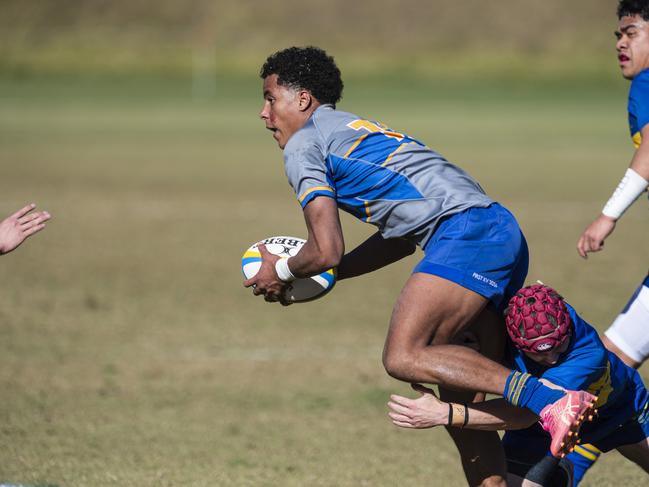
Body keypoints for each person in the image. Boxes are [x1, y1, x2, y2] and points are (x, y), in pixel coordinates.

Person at [244, 46, 596, 486]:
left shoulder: (303, 145)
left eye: (269, 98)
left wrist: (279, 271)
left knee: (403, 355)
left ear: (301, 100)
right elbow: (398, 240)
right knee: (460, 406)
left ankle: (550, 400)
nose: (263, 113)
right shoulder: (348, 129)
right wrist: (331, 275)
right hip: (495, 230)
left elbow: (325, 248)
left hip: (466, 235)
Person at [388, 284, 649, 486]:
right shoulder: (509, 323)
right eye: (538, 354)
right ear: (515, 338)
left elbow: (523, 414)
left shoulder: (586, 356)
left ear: (565, 324)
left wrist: (444, 413)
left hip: (619, 413)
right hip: (541, 431)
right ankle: (558, 476)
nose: (552, 358)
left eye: (559, 346)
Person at [577, 0, 649, 370]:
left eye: (632, 33)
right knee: (615, 359)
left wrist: (608, 216)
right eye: (618, 35)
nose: (621, 43)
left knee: (609, 367)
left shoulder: (647, 83)